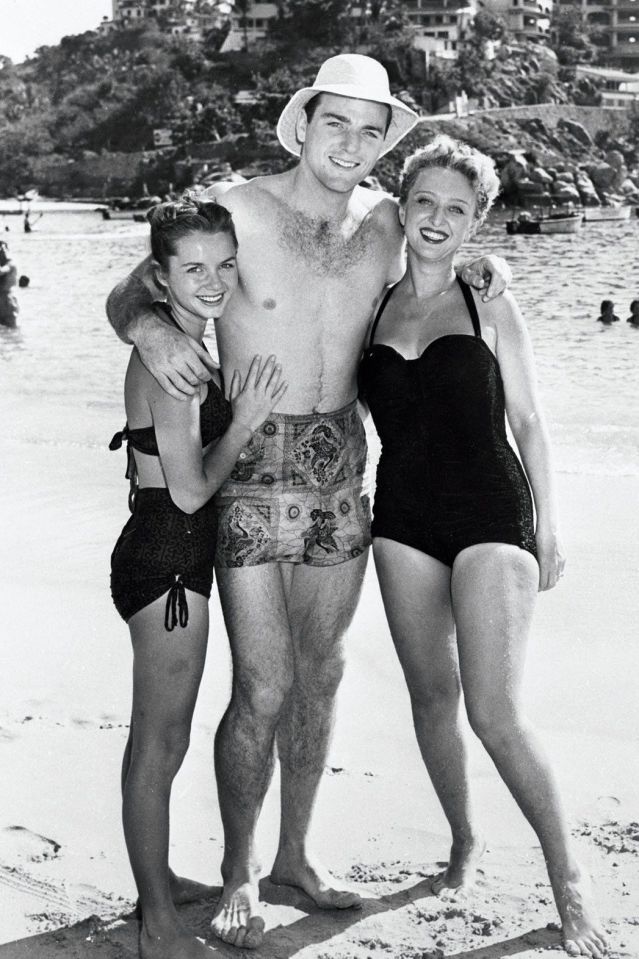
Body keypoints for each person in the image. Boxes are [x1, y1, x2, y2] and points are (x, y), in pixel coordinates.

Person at [106, 54, 512, 949]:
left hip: (341, 469)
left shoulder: (383, 223)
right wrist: (143, 325)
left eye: (371, 131)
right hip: (250, 466)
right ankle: (240, 868)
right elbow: (145, 280)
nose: (351, 143)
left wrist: (484, 276)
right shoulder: (240, 208)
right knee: (262, 683)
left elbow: (440, 272)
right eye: (337, 122)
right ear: (303, 122)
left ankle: (296, 853)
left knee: (319, 672)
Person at [358, 135, 606, 958]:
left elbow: (530, 421)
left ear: (476, 223)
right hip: (399, 519)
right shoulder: (371, 302)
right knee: (430, 696)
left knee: (493, 711)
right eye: (423, 202)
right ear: (401, 205)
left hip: (491, 513)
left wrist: (548, 524)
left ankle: (566, 876)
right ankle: (462, 840)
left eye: (455, 209)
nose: (435, 220)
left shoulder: (487, 299)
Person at [109, 197, 286, 959]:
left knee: (164, 737)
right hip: (168, 563)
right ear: (160, 275)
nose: (213, 281)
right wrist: (244, 420)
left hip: (170, 554)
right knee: (160, 740)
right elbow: (185, 489)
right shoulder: (172, 356)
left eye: (223, 264)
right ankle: (155, 920)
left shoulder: (181, 337)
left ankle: (158, 881)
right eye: (193, 268)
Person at [0, 238, 19, 328]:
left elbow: (2, 271)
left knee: (11, 327)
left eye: (2, 251)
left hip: (8, 300)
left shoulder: (10, 264)